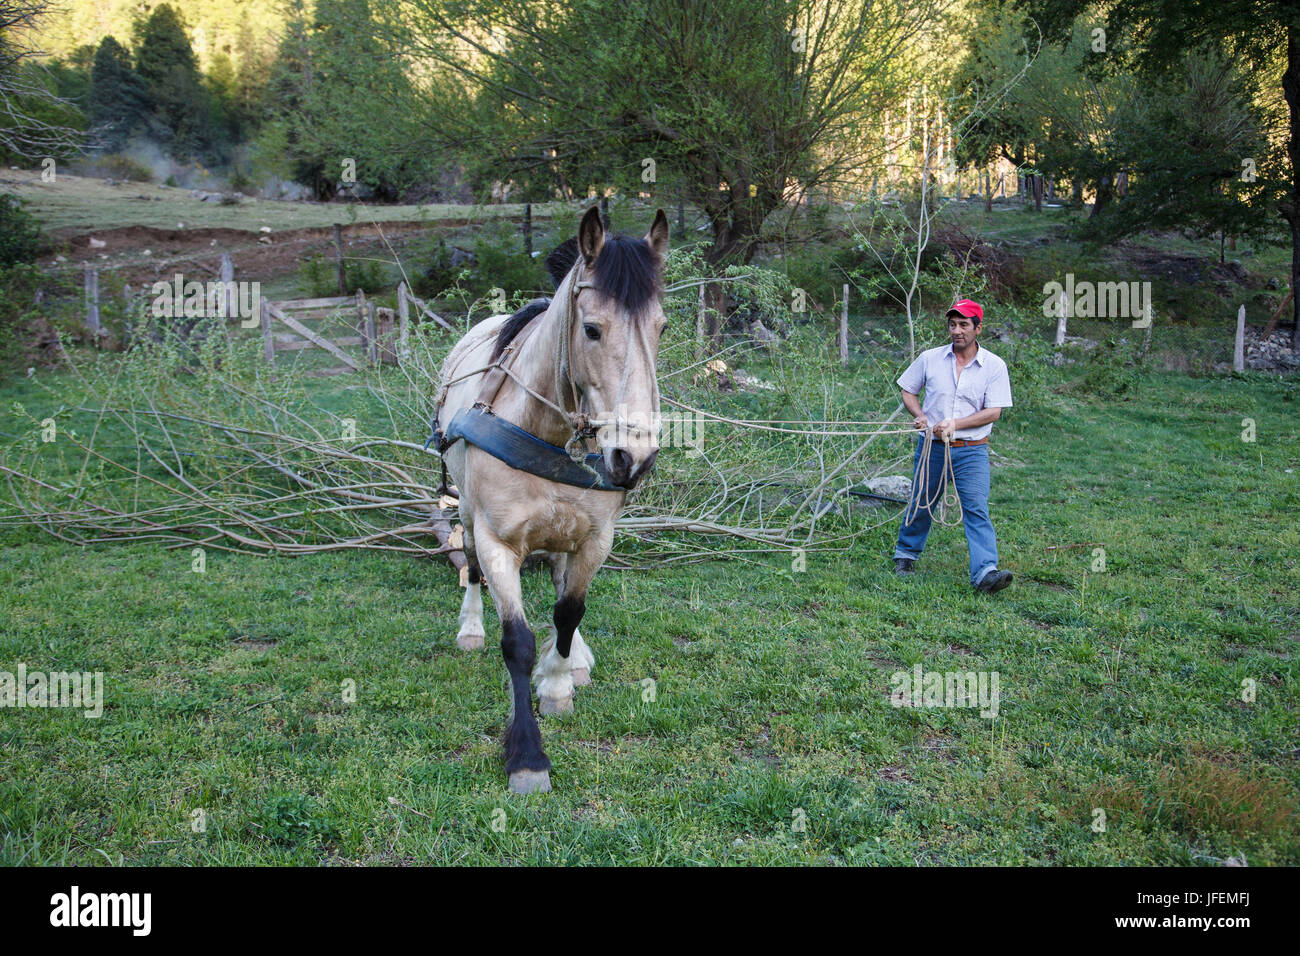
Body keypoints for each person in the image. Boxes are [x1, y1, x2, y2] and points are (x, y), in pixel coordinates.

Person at [893, 299, 1014, 593]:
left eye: (963, 325)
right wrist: (920, 415)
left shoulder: (994, 366)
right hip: (932, 447)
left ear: (977, 328)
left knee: (976, 507)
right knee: (922, 501)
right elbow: (908, 390)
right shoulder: (929, 358)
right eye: (952, 325)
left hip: (972, 449)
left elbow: (994, 411)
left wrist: (955, 424)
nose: (957, 331)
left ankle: (986, 572)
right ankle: (905, 555)